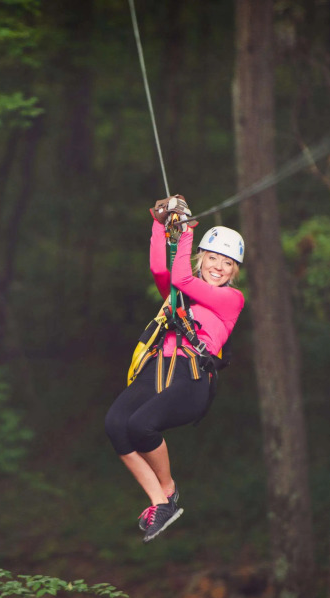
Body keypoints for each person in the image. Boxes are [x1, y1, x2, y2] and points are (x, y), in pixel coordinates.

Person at [104, 195, 245, 542]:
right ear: (202, 258)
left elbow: (181, 278)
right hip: (159, 368)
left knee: (140, 425)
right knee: (116, 424)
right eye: (213, 258)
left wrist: (186, 231)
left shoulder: (231, 299)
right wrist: (160, 223)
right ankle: (160, 502)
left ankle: (167, 489)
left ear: (234, 271)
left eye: (227, 263)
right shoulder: (181, 294)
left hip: (191, 378)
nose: (219, 267)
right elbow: (160, 270)